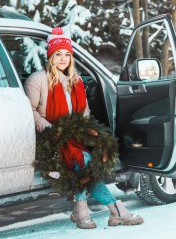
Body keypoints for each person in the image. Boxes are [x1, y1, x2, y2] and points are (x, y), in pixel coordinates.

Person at [24, 27, 144, 229]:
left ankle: (82, 209)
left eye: (67, 55)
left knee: (87, 159)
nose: (63, 59)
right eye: (58, 54)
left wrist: (85, 131)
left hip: (75, 137)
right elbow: (29, 111)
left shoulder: (76, 81)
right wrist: (51, 129)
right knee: (83, 160)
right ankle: (115, 209)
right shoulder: (38, 80)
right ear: (51, 56)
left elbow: (84, 112)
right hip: (51, 137)